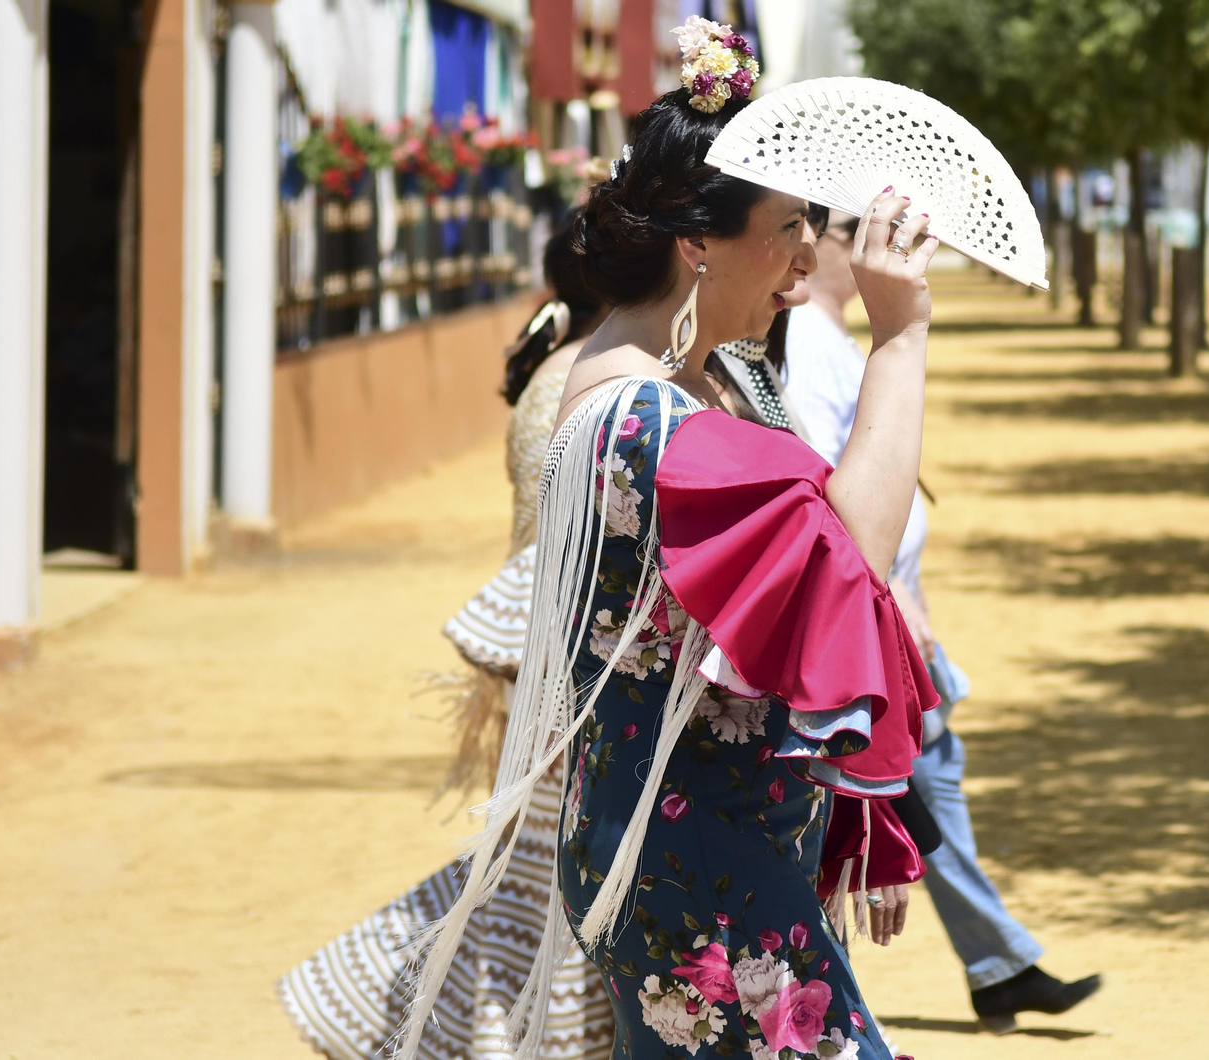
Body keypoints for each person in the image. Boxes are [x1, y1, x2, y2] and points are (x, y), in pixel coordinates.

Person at [397, 19, 941, 1060]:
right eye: (788, 226)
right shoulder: (645, 419)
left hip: (686, 847)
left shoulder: (670, 387)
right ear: (698, 241)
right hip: (699, 863)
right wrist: (901, 335)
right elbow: (849, 567)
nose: (805, 262)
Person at [277, 215, 618, 1060]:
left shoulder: (565, 371)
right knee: (542, 887)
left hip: (541, 665)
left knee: (531, 878)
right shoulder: (591, 381)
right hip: (563, 668)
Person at [785, 210, 1103, 1035]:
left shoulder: (832, 334)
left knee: (930, 785)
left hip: (888, 614)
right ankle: (990, 966)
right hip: (871, 620)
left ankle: (998, 964)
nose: (880, 238)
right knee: (897, 795)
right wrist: (889, 590)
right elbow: (829, 491)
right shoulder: (807, 342)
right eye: (856, 224)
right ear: (821, 240)